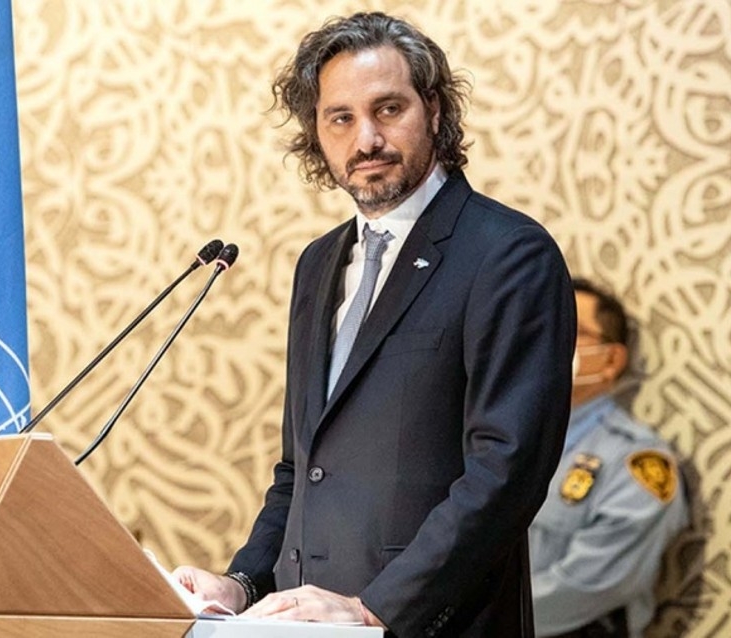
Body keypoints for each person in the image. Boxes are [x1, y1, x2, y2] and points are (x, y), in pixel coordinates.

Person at [173, 11, 576, 637]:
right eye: (340, 118)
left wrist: (374, 607)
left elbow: (506, 473)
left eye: (388, 109)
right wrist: (243, 582)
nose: (366, 139)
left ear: (434, 111)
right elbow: (301, 470)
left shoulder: (508, 254)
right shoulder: (319, 263)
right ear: (317, 132)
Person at [530, 278, 688, 637]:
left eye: (572, 328)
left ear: (611, 359)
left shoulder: (637, 462)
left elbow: (588, 587)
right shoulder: (497, 434)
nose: (548, 338)